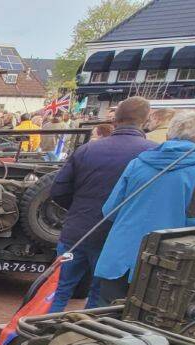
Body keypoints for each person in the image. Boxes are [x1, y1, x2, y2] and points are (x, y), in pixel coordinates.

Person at [92, 111, 195, 304]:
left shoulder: (139, 163)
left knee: (103, 318)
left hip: (121, 254)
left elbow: (110, 209)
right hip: (166, 261)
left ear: (169, 134)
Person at [46, 97, 157, 312]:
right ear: (145, 119)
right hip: (116, 237)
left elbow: (58, 190)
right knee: (99, 295)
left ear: (115, 119)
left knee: (57, 290)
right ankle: (86, 340)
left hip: (77, 231)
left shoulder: (88, 150)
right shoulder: (152, 154)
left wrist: (79, 210)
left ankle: (39, 336)